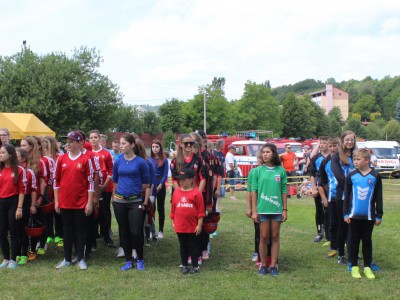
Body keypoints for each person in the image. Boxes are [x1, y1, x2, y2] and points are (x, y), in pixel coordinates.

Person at [53, 131, 95, 270]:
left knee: (80, 230)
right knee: (67, 230)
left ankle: (81, 258)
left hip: (81, 202)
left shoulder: (86, 159)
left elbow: (91, 183)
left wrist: (89, 202)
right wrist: (57, 201)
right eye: (67, 141)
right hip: (65, 202)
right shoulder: (61, 159)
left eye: (71, 141)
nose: (68, 144)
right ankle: (66, 258)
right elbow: (56, 181)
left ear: (79, 143)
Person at [344, 148, 383, 279]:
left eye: (358, 159)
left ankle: (367, 267)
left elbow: (379, 196)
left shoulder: (376, 175)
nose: (355, 162)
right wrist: (345, 213)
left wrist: (379, 215)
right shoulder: (351, 175)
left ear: (367, 160)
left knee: (367, 240)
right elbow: (347, 196)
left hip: (369, 216)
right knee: (353, 240)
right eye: (354, 159)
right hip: (353, 216)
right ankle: (354, 266)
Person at [112, 133, 149, 271]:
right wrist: (116, 197)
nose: (121, 146)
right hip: (119, 202)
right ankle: (128, 261)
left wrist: (133, 191)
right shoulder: (118, 161)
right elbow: (115, 181)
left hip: (135, 202)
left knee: (135, 232)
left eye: (124, 144)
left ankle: (140, 259)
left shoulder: (141, 162)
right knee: (124, 231)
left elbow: (146, 184)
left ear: (132, 145)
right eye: (120, 144)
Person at [251, 143, 288, 276]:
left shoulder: (281, 171)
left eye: (267, 152)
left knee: (275, 236)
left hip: (277, 210)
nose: (265, 154)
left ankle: (273, 266)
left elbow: (284, 190)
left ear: (273, 154)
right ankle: (263, 265)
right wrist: (254, 210)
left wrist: (285, 209)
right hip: (262, 210)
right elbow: (254, 191)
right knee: (264, 237)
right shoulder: (257, 171)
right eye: (263, 152)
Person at [170, 168, 205, 274]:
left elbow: (201, 211)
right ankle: (184, 264)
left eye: (184, 179)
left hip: (192, 226)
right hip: (180, 225)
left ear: (191, 180)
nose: (181, 181)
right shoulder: (176, 192)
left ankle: (195, 266)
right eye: (180, 179)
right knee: (183, 245)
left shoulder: (196, 193)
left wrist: (199, 225)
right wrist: (173, 222)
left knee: (193, 245)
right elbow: (173, 209)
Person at [331, 130, 356, 265]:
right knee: (343, 225)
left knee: (355, 225)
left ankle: (353, 251)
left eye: (352, 139)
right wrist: (352, 184)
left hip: (357, 196)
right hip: (343, 196)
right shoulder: (336, 156)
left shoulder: (356, 155)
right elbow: (338, 176)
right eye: (347, 139)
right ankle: (341, 254)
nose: (350, 142)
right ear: (342, 141)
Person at [0, 144, 26, 269]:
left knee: (14, 232)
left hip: (13, 202)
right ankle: (5, 258)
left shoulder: (19, 170)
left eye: (2, 152)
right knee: (1, 232)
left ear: (10, 155)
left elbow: (22, 190)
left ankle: (13, 259)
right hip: (1, 202)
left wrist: (19, 208)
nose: (0, 154)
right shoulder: (0, 169)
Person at [89, 130, 115, 248]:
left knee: (104, 212)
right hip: (91, 189)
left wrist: (104, 185)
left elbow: (111, 170)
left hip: (105, 188)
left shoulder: (106, 153)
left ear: (99, 139)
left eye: (95, 137)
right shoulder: (87, 153)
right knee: (93, 213)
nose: (93, 139)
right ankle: (93, 236)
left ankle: (106, 236)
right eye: (91, 138)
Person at [15, 147, 37, 266]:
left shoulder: (29, 172)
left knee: (24, 229)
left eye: (17, 156)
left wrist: (32, 205)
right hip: (14, 201)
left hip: (26, 200)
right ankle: (16, 253)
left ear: (23, 159)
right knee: (14, 229)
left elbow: (33, 189)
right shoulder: (7, 170)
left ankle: (25, 253)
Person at [318, 138, 340, 256]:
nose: (332, 148)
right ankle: (333, 247)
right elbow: (322, 180)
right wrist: (327, 193)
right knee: (333, 222)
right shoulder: (325, 162)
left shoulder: (344, 159)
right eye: (330, 146)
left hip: (345, 197)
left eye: (335, 146)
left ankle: (347, 245)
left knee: (345, 222)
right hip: (332, 197)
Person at [309, 137, 329, 243]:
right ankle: (319, 232)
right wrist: (313, 188)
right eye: (321, 143)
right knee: (319, 209)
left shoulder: (333, 157)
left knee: (330, 210)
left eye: (325, 143)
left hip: (330, 187)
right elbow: (312, 173)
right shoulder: (316, 157)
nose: (323, 145)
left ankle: (330, 232)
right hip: (318, 185)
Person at [150, 139, 169, 239]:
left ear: (160, 148)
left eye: (157, 147)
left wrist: (160, 185)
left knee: (161, 209)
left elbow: (165, 174)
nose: (155, 149)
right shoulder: (149, 160)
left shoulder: (164, 160)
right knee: (152, 208)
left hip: (160, 186)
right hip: (152, 186)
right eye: (153, 147)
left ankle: (161, 230)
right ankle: (151, 230)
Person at [213, 139, 226, 212]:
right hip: (216, 176)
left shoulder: (221, 153)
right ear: (220, 145)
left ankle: (217, 207)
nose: (224, 146)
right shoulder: (213, 153)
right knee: (216, 191)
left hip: (221, 175)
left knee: (221, 192)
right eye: (223, 144)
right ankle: (214, 207)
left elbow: (223, 164)